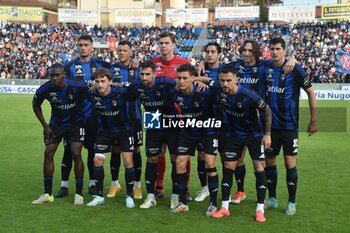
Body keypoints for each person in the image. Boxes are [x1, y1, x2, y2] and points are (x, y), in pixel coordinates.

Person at [197, 39, 296, 205]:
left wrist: (293, 59)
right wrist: (202, 61)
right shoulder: (235, 65)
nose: (246, 53)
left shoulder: (264, 66)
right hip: (236, 119)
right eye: (244, 50)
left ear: (256, 52)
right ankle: (240, 191)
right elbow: (217, 64)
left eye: (250, 50)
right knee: (239, 158)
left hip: (258, 120)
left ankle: (263, 196)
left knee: (260, 162)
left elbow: (280, 60)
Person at [206, 65, 272, 222]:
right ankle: (224, 208)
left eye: (229, 80)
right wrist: (196, 79)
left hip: (254, 136)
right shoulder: (219, 89)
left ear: (236, 79)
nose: (225, 84)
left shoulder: (249, 96)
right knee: (228, 168)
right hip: (234, 136)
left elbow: (267, 110)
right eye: (222, 80)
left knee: (259, 167)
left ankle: (260, 210)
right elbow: (209, 82)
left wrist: (267, 134)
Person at [264, 37, 317, 215]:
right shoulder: (267, 67)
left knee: (289, 162)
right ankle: (271, 198)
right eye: (272, 48)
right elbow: (245, 62)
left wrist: (314, 119)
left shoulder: (295, 68)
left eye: (278, 48)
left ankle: (291, 202)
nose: (275, 52)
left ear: (284, 50)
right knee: (269, 161)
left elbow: (310, 91)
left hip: (289, 126)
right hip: (270, 127)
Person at [55, 35, 111, 198]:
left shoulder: (101, 65)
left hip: (95, 116)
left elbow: (119, 69)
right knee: (69, 150)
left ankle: (93, 183)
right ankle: (64, 185)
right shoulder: (69, 66)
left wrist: (134, 63)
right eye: (80, 45)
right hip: (74, 116)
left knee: (92, 150)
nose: (83, 48)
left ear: (92, 47)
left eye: (86, 45)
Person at [121, 61, 179, 209]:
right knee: (152, 158)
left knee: (175, 159)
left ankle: (175, 196)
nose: (144, 77)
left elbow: (184, 83)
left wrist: (201, 81)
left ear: (154, 74)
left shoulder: (166, 82)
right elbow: (122, 91)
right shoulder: (136, 85)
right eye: (142, 74)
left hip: (171, 122)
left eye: (148, 74)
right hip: (153, 121)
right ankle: (151, 196)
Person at [32, 63, 86, 205]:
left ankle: (79, 195)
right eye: (52, 75)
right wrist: (45, 126)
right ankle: (47, 194)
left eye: (57, 75)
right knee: (48, 153)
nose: (54, 78)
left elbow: (92, 91)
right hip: (56, 124)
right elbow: (35, 104)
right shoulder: (45, 89)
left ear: (64, 75)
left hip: (76, 123)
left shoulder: (77, 85)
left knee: (76, 152)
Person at [171, 64, 219, 217]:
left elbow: (220, 85)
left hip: (208, 130)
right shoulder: (175, 93)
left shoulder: (204, 91)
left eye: (185, 78)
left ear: (192, 78)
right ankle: (183, 202)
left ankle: (213, 204)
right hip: (189, 131)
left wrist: (200, 79)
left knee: (209, 163)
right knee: (179, 162)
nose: (181, 81)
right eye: (179, 78)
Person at [86, 68, 136, 208]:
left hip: (124, 130)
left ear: (110, 81)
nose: (100, 85)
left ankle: (129, 196)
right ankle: (99, 196)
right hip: (105, 131)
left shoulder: (121, 93)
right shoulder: (92, 93)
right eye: (97, 82)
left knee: (127, 161)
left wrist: (121, 85)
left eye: (103, 81)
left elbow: (136, 90)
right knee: (98, 160)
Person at [151, 32, 192, 199]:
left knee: (178, 153)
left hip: (177, 113)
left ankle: (184, 188)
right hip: (154, 113)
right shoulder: (152, 64)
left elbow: (191, 82)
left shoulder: (183, 63)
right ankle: (158, 186)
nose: (163, 46)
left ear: (174, 45)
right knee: (157, 152)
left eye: (167, 43)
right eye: (161, 43)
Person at [107, 41, 143, 200]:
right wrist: (115, 84)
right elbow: (104, 83)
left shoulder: (138, 69)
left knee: (136, 150)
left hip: (134, 117)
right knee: (115, 150)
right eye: (119, 50)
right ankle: (114, 183)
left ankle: (137, 186)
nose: (121, 53)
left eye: (125, 50)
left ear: (131, 52)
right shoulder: (111, 69)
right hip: (115, 118)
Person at [193, 42, 222, 202]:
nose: (209, 54)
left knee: (226, 157)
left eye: (213, 52)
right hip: (203, 118)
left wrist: (204, 79)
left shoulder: (225, 70)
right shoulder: (200, 68)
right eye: (207, 52)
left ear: (219, 54)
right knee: (202, 156)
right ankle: (205, 188)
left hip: (223, 118)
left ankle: (234, 190)